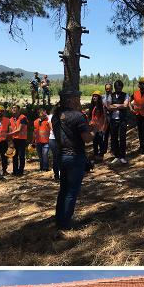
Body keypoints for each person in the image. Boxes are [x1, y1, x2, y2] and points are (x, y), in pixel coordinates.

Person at [52, 89, 93, 229]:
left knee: (63, 189)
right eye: (77, 97)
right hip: (75, 156)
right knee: (71, 191)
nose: (79, 100)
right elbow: (87, 139)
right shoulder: (78, 116)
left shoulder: (55, 116)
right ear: (70, 100)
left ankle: (59, 220)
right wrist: (94, 131)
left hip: (61, 156)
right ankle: (66, 223)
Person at [104, 80, 130, 165]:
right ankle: (117, 156)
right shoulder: (110, 95)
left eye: (120, 87)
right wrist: (120, 106)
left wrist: (114, 105)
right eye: (117, 88)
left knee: (122, 138)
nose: (118, 89)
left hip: (122, 119)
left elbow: (125, 105)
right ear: (114, 88)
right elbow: (108, 107)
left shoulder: (125, 95)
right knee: (114, 138)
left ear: (122, 87)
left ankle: (122, 156)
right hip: (113, 119)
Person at [130, 77, 144, 154]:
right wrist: (131, 108)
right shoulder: (135, 93)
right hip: (138, 114)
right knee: (140, 131)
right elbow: (129, 100)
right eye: (141, 83)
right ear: (139, 85)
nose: (142, 85)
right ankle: (141, 146)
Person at [8, 104, 28, 176]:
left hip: (22, 139)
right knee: (14, 156)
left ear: (19, 110)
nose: (13, 109)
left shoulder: (23, 118)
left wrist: (8, 134)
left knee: (21, 156)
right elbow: (10, 129)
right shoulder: (10, 119)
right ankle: (15, 171)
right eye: (12, 108)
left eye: (15, 108)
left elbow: (19, 129)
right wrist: (10, 140)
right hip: (14, 139)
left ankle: (20, 171)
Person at [87, 91, 107, 161]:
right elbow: (91, 117)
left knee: (100, 142)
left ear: (99, 97)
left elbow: (105, 117)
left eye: (96, 96)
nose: (94, 97)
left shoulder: (102, 106)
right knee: (95, 142)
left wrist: (104, 127)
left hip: (100, 128)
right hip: (93, 128)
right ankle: (95, 156)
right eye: (93, 96)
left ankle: (101, 156)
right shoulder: (92, 106)